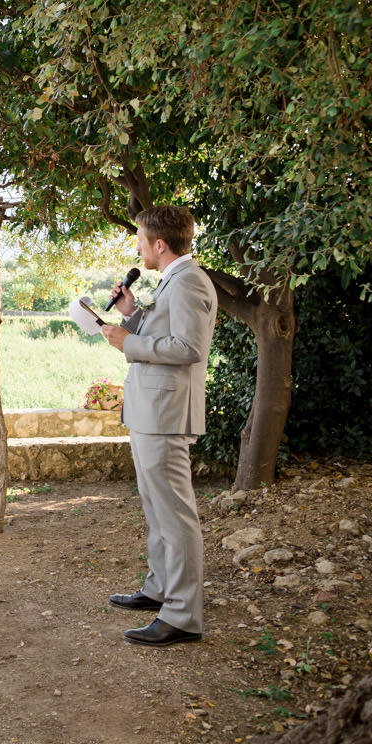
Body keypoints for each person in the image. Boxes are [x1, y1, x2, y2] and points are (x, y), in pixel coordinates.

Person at [100, 205, 217, 647]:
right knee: (156, 508)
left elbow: (188, 347)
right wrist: (132, 315)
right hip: (152, 411)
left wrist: (129, 341)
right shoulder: (173, 281)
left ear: (160, 244)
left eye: (140, 239)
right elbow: (165, 332)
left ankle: (184, 615)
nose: (137, 246)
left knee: (175, 514)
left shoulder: (189, 281)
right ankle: (160, 589)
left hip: (166, 414)